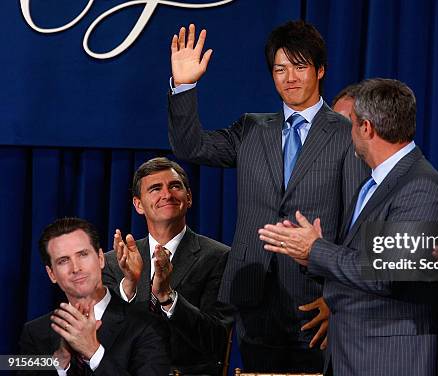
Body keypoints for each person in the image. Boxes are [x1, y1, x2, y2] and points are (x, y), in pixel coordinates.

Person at [166, 20, 368, 372]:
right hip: (253, 293)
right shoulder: (251, 128)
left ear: (320, 70)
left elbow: (357, 222)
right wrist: (184, 86)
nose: (290, 77)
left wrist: (337, 299)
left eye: (300, 66)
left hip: (314, 301)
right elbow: (191, 146)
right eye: (280, 68)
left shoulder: (345, 135)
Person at [258, 78, 438, 375]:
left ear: (366, 128)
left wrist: (317, 250)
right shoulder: (372, 183)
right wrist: (311, 257)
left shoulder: (420, 186)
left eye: (347, 124)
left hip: (392, 359)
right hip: (353, 352)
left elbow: (389, 273)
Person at [102, 157, 232, 375]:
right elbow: (102, 337)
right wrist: (130, 287)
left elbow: (217, 341)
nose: (167, 194)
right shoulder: (114, 262)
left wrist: (167, 296)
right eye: (155, 188)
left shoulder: (219, 257)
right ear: (138, 204)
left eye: (175, 186)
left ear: (188, 198)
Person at [20, 217, 170, 375]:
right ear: (52, 274)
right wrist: (61, 366)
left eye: (83, 254)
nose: (76, 268)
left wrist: (94, 353)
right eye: (63, 261)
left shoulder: (148, 326)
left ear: (100, 259)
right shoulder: (34, 332)